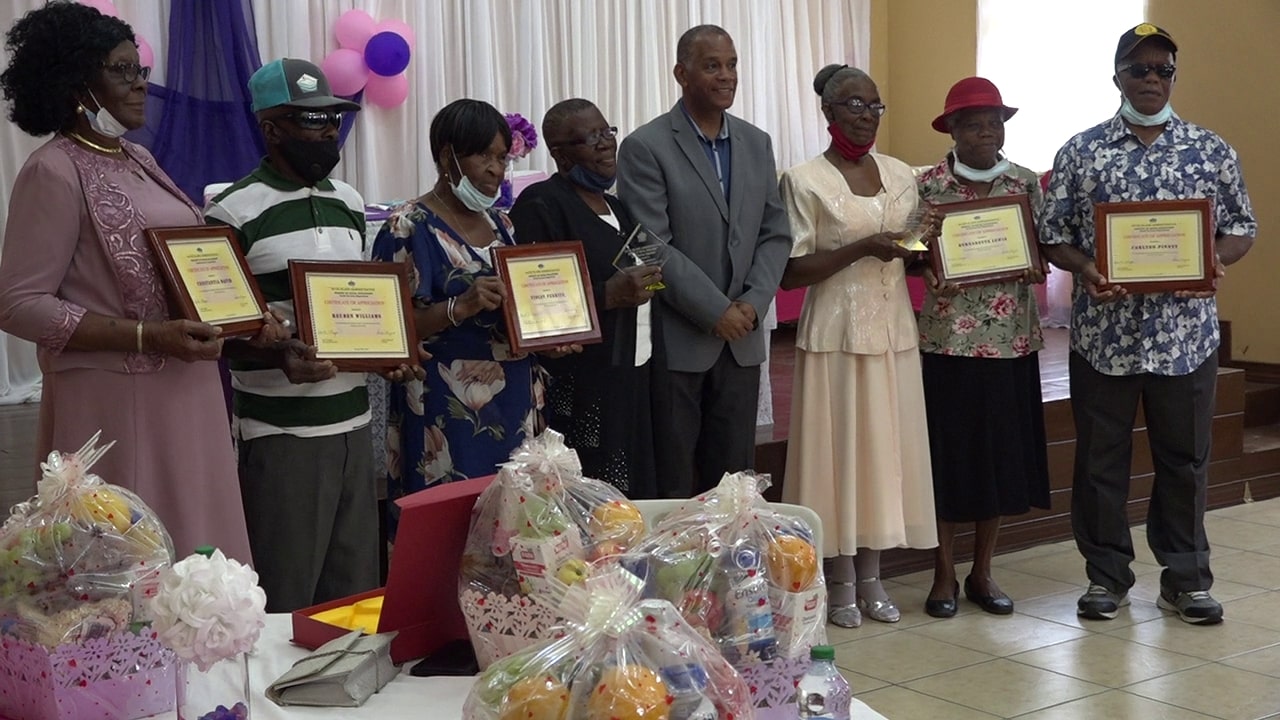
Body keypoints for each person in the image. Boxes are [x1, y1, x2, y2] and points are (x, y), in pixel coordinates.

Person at [0, 2, 254, 562]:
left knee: (201, 562)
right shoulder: (53, 170)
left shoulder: (137, 157)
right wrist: (145, 336)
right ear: (76, 83)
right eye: (121, 71)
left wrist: (247, 313)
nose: (140, 84)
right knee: (137, 572)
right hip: (116, 400)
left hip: (187, 390)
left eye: (138, 69)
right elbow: (18, 304)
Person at [1039, 24, 1256, 625]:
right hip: (1103, 340)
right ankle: (1105, 578)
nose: (1153, 79)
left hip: (1185, 340)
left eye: (1164, 70)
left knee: (1185, 461)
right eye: (1140, 70)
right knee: (1100, 461)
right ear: (1117, 77)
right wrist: (1086, 267)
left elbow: (1242, 228)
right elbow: (1054, 236)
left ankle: (1186, 580)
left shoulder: (1210, 150)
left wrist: (1214, 259)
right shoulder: (1081, 151)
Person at [205, 59, 416, 612]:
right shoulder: (231, 211)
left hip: (353, 424)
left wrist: (387, 352)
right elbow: (216, 331)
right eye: (309, 121)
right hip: (281, 432)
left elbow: (361, 310)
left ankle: (349, 696)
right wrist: (277, 355)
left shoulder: (349, 202)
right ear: (270, 128)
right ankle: (278, 699)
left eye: (331, 120)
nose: (326, 132)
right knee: (287, 593)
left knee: (355, 598)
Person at [778, 64, 937, 628]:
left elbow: (911, 245)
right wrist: (864, 246)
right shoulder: (803, 180)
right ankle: (838, 581)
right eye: (853, 105)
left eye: (874, 105)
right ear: (827, 111)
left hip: (892, 330)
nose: (866, 115)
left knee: (881, 457)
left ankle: (872, 577)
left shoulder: (900, 173)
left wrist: (925, 251)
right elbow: (793, 271)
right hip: (835, 336)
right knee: (838, 457)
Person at [616, 24, 791, 499]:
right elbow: (648, 244)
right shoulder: (645, 146)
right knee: (674, 482)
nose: (726, 75)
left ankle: (731, 574)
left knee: (735, 485)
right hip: (679, 341)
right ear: (681, 73)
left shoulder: (757, 143)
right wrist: (716, 312)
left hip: (743, 339)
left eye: (732, 64)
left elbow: (776, 233)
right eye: (712, 65)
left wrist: (752, 304)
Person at [916, 77, 1051, 618]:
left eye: (994, 121)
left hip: (1011, 342)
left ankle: (983, 572)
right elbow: (909, 249)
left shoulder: (1024, 183)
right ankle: (943, 574)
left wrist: (1039, 261)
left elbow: (1042, 246)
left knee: (998, 459)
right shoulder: (927, 185)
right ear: (951, 129)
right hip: (948, 342)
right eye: (973, 123)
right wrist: (927, 262)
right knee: (950, 460)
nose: (986, 132)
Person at [372, 99, 550, 505]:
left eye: (502, 157)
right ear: (446, 155)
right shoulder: (408, 226)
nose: (495, 169)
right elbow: (388, 331)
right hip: (446, 406)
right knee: (449, 523)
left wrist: (551, 328)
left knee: (516, 521)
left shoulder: (501, 224)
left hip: (515, 398)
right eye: (482, 155)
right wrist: (460, 307)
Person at [509, 99, 661, 498]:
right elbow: (533, 305)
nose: (606, 144)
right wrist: (606, 296)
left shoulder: (618, 206)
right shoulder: (540, 205)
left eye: (607, 132)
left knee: (636, 493)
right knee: (594, 499)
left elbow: (645, 267)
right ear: (559, 154)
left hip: (635, 372)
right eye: (591, 137)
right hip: (583, 386)